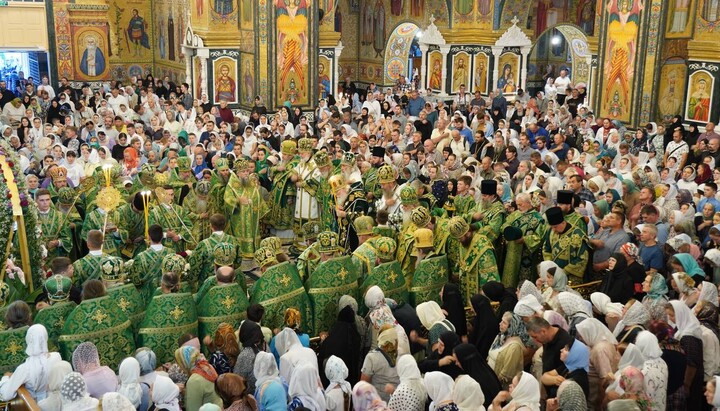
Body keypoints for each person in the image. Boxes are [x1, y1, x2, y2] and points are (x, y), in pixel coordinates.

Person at [0, 324, 61, 402]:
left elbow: (5, 395)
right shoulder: (57, 357)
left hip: (35, 404)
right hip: (55, 402)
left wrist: (5, 378)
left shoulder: (25, 368)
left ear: (28, 339)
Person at [174, 345, 223, 411]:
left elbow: (192, 409)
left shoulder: (194, 380)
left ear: (185, 362)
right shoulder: (207, 367)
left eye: (179, 363)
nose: (179, 368)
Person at [453, 344, 501, 408]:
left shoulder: (475, 381)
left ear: (465, 361)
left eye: (457, 361)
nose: (456, 364)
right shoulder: (484, 370)